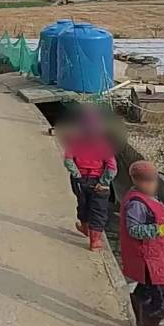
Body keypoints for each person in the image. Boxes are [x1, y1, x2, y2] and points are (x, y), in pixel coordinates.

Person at [118, 160, 164, 326]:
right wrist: (161, 229)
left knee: (148, 289)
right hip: (148, 258)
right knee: (161, 294)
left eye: (154, 181)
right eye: (148, 181)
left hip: (158, 254)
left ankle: (138, 304)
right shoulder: (136, 204)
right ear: (137, 181)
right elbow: (134, 229)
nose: (152, 185)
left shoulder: (149, 198)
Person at [61, 106, 116, 251]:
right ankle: (95, 241)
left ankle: (85, 229)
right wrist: (104, 182)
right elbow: (111, 167)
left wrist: (76, 174)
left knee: (83, 204)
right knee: (99, 210)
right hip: (99, 181)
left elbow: (68, 160)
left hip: (80, 181)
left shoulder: (75, 142)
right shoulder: (104, 145)